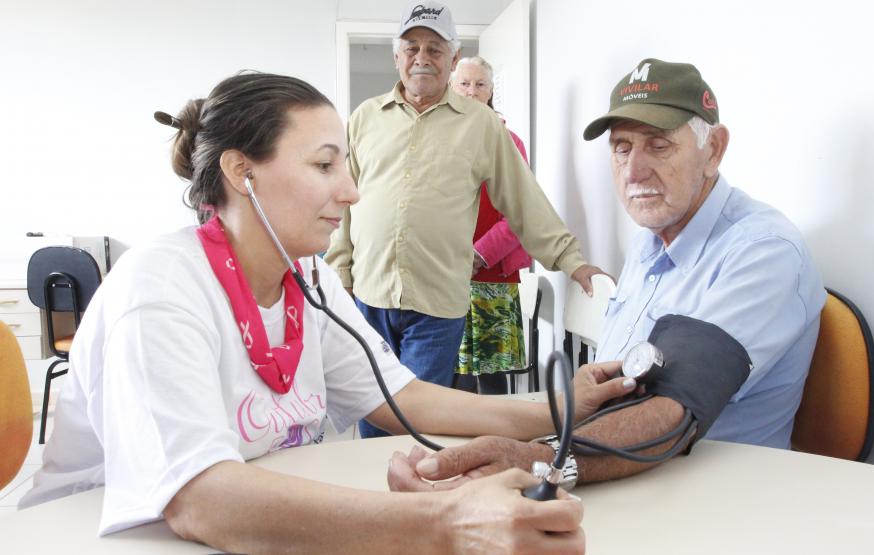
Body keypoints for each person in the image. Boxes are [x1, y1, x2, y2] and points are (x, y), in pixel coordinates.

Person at [18, 71, 639, 555]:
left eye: (345, 164)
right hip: (99, 539)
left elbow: (404, 399)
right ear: (242, 173)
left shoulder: (306, 276)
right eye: (323, 165)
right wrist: (446, 523)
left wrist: (555, 411)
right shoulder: (159, 291)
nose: (351, 190)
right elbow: (198, 501)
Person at [388, 58, 826, 492]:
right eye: (621, 147)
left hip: (711, 498)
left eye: (659, 145)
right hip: (634, 481)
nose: (633, 171)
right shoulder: (651, 241)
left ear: (713, 150)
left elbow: (669, 412)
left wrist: (536, 461)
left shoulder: (762, 251)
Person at [324, 1, 605, 438]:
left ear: (452, 59)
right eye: (412, 47)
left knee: (418, 424)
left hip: (437, 303)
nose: (422, 58)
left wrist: (572, 259)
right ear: (396, 55)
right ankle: (377, 501)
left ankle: (414, 500)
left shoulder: (481, 125)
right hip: (369, 295)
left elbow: (523, 199)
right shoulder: (364, 118)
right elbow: (342, 199)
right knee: (373, 417)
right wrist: (340, 269)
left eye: (435, 49)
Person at [450, 55, 531, 395]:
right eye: (464, 83)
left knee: (493, 382)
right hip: (444, 275)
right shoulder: (437, 141)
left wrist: (479, 254)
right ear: (452, 88)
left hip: (492, 275)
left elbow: (519, 212)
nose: (471, 91)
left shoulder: (509, 143)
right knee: (452, 380)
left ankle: (498, 447)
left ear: (491, 90)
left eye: (479, 84)